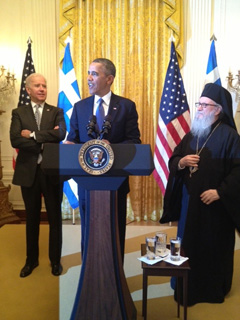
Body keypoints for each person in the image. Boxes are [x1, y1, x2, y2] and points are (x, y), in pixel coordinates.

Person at [160, 83, 240, 306]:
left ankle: (210, 289)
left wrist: (220, 192)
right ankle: (183, 286)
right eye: (199, 104)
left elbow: (238, 170)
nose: (199, 109)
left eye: (205, 105)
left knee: (211, 248)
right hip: (189, 203)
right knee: (187, 244)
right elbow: (174, 158)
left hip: (215, 207)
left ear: (218, 109)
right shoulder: (193, 133)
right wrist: (182, 162)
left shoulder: (230, 136)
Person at [65, 58, 141, 261]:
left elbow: (134, 141)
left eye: (94, 74)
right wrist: (68, 147)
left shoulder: (126, 106)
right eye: (88, 73)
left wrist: (112, 148)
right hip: (86, 182)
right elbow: (72, 140)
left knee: (115, 231)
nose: (88, 78)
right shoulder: (79, 107)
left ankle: (116, 274)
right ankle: (88, 272)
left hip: (115, 182)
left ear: (109, 79)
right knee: (88, 231)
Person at [10, 73, 66, 277]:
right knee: (32, 218)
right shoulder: (19, 112)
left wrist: (33, 135)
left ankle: (55, 261)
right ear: (28, 90)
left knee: (55, 219)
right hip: (28, 173)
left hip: (52, 172)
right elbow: (15, 140)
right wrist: (45, 139)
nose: (42, 88)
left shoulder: (56, 111)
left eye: (44, 85)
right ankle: (30, 261)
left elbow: (61, 134)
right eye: (37, 85)